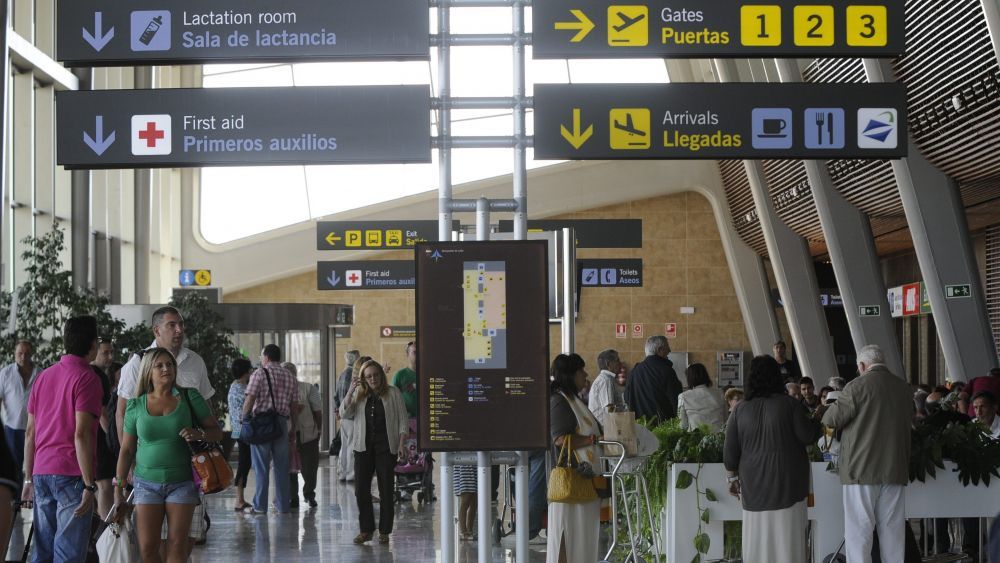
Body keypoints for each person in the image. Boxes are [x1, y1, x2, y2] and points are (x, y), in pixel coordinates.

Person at [116, 306, 215, 553]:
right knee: (149, 546)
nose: (179, 330)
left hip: (185, 475)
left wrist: (200, 434)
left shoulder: (195, 363)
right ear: (157, 329)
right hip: (146, 477)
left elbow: (210, 418)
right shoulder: (137, 364)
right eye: (172, 325)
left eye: (181, 324)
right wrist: (126, 474)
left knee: (179, 545)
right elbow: (122, 418)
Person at [723, 355, 821, 563]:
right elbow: (807, 436)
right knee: (788, 541)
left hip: (753, 486)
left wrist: (731, 480)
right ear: (776, 377)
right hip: (789, 484)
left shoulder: (739, 410)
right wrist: (817, 420)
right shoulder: (790, 406)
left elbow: (730, 451)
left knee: (757, 540)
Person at [22, 316, 104, 563]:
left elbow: (30, 433)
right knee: (68, 553)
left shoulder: (44, 377)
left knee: (43, 551)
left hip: (41, 471)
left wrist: (28, 477)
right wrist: (90, 485)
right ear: (91, 344)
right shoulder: (88, 378)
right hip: (71, 473)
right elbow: (81, 434)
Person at [822, 344, 913, 563]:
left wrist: (827, 445)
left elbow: (829, 421)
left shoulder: (856, 386)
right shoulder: (903, 388)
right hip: (894, 469)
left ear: (862, 365)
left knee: (859, 531)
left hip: (860, 471)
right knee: (893, 531)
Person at [340, 360, 408, 545]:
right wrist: (350, 391)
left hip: (386, 448)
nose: (373, 379)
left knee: (386, 491)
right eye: (368, 376)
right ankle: (366, 530)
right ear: (363, 379)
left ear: (381, 375)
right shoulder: (359, 395)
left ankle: (385, 531)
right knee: (361, 491)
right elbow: (344, 413)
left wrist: (401, 444)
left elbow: (403, 420)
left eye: (376, 375)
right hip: (363, 448)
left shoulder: (393, 393)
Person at [547, 353, 601, 563]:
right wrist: (592, 440)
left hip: (584, 478)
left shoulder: (573, 399)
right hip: (569, 478)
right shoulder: (559, 401)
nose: (586, 375)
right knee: (566, 535)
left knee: (581, 536)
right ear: (570, 375)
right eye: (581, 371)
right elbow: (560, 439)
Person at [242, 344, 299, 515]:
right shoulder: (290, 376)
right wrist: (293, 427)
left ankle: (260, 506)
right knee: (282, 467)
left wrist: (244, 419)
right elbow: (294, 406)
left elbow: (250, 399)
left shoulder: (259, 373)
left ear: (266, 357)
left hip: (261, 424)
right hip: (281, 424)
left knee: (261, 468)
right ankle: (283, 506)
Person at [0, 340, 41, 485]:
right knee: (14, 469)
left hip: (36, 429)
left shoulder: (40, 374)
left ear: (32, 354)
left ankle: (31, 501)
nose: (23, 357)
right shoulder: (5, 373)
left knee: (35, 468)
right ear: (14, 354)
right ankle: (16, 505)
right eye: (20, 353)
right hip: (12, 429)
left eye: (27, 353)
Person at [286, 361, 322, 508]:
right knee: (290, 468)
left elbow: (318, 412)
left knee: (310, 467)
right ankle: (292, 497)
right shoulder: (279, 390)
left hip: (308, 434)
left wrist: (319, 430)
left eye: (290, 373)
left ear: (295, 374)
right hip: (288, 435)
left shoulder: (308, 388)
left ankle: (309, 494)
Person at [90, 337, 119, 519]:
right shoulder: (96, 375)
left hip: (97, 437)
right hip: (100, 439)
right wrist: (113, 439)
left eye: (111, 352)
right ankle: (106, 530)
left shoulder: (100, 375)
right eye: (105, 352)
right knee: (105, 486)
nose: (110, 357)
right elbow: (102, 413)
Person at [623, 335, 682, 423]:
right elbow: (677, 400)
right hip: (663, 428)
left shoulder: (633, 372)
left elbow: (627, 398)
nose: (670, 350)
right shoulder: (666, 370)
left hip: (640, 427)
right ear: (659, 350)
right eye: (667, 347)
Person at [338, 354, 370, 482]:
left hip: (345, 417)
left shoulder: (345, 376)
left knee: (345, 447)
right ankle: (351, 475)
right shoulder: (359, 383)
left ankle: (343, 473)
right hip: (352, 419)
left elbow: (338, 395)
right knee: (352, 448)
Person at [227, 358, 253, 512]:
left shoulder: (234, 386)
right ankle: (239, 499)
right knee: (244, 463)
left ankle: (240, 498)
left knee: (244, 462)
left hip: (237, 429)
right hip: (244, 429)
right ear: (247, 371)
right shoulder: (243, 388)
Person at [678, 363, 726, 431]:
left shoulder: (683, 396)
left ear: (689, 378)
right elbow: (726, 418)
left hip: (696, 439)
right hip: (719, 438)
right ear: (706, 375)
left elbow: (683, 425)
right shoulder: (720, 393)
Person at [588, 349, 624, 425]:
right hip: (604, 428)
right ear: (608, 364)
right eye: (617, 360)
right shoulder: (606, 380)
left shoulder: (606, 378)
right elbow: (609, 408)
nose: (620, 363)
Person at [391, 341, 418, 419]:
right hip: (407, 420)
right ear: (407, 355)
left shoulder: (429, 373)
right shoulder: (399, 375)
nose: (419, 354)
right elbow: (393, 398)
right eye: (415, 352)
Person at [453, 462, 477, 541]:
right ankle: (463, 531)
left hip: (474, 467)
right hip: (464, 468)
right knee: (465, 501)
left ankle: (469, 530)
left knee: (474, 503)